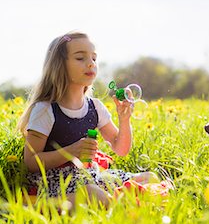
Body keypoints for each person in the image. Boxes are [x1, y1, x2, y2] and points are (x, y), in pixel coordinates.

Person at [17, 31, 157, 208]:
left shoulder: (95, 107)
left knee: (150, 178)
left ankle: (114, 203)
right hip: (56, 182)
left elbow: (120, 149)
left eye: (94, 58)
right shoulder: (45, 110)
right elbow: (31, 162)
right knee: (95, 195)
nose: (90, 63)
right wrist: (70, 151)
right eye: (80, 58)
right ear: (60, 65)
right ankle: (45, 204)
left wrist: (124, 120)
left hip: (89, 175)